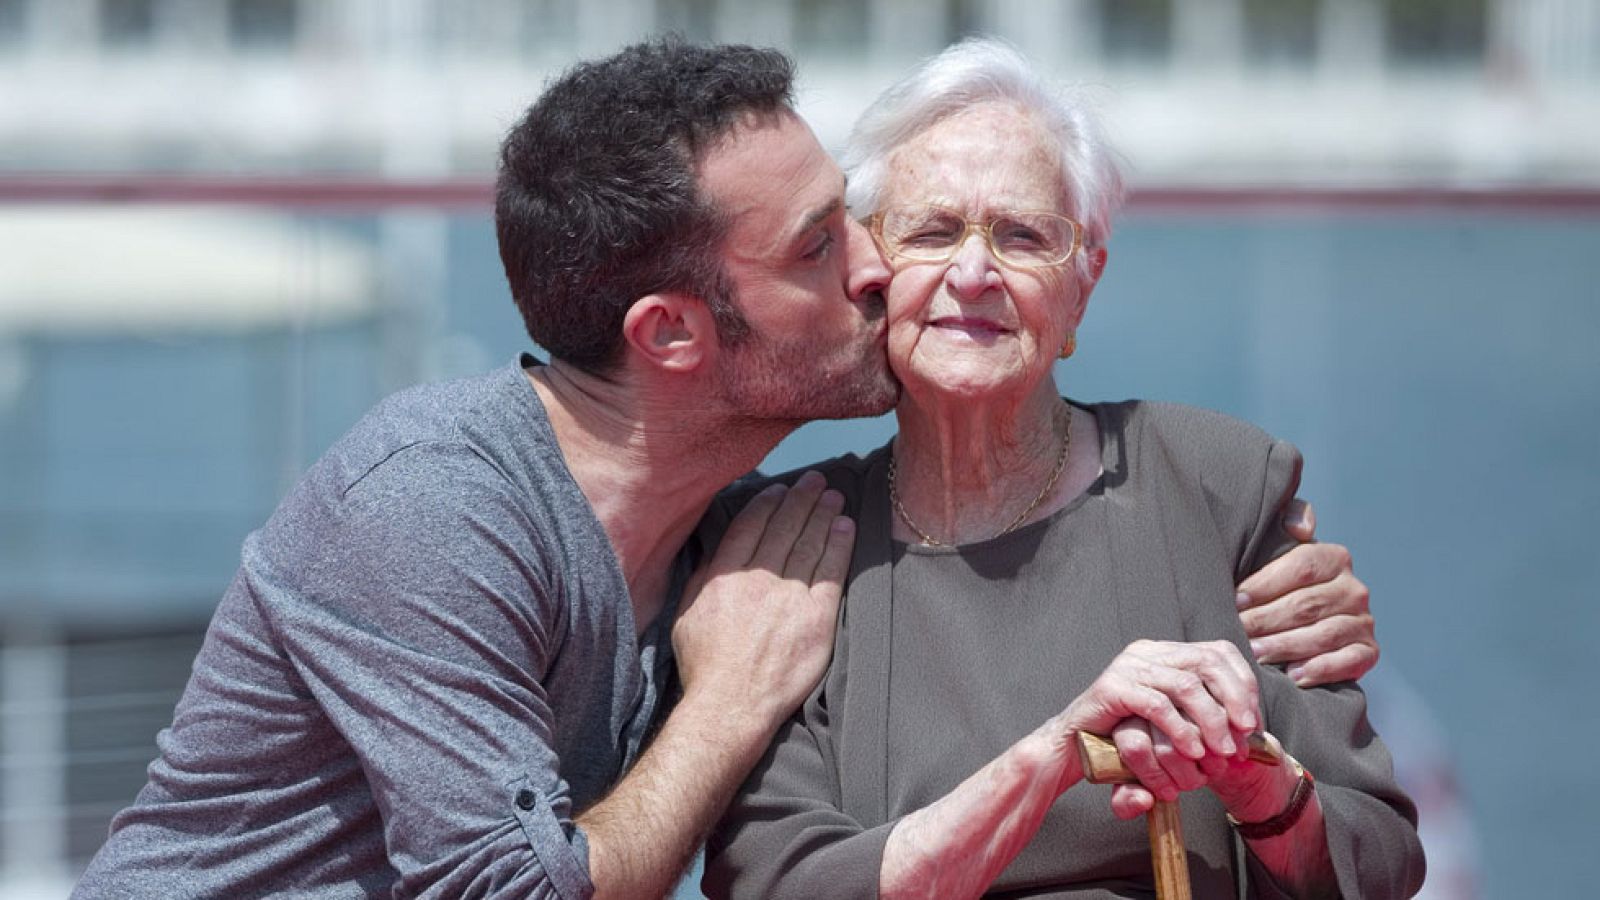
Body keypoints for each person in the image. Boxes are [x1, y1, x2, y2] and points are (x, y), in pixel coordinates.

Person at [75, 40, 1378, 900]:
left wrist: (1287, 584)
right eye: (825, 248)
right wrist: (728, 699)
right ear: (675, 337)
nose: (880, 272)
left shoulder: (729, 529)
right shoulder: (433, 507)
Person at [703, 39, 1425, 899]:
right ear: (871, 271)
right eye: (932, 232)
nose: (973, 273)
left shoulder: (1216, 485)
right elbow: (773, 882)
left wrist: (1260, 787)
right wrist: (1055, 754)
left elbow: (1379, 862)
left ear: (1082, 287)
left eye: (1022, 237)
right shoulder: (794, 539)